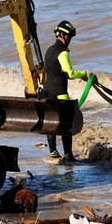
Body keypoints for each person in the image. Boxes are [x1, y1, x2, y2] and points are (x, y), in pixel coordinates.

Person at [42, 20, 89, 162]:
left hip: (48, 93)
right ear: (62, 35)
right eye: (69, 36)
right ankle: (68, 154)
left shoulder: (49, 50)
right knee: (66, 124)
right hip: (60, 93)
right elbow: (69, 73)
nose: (70, 40)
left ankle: (53, 153)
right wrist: (84, 74)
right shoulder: (62, 53)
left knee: (51, 123)